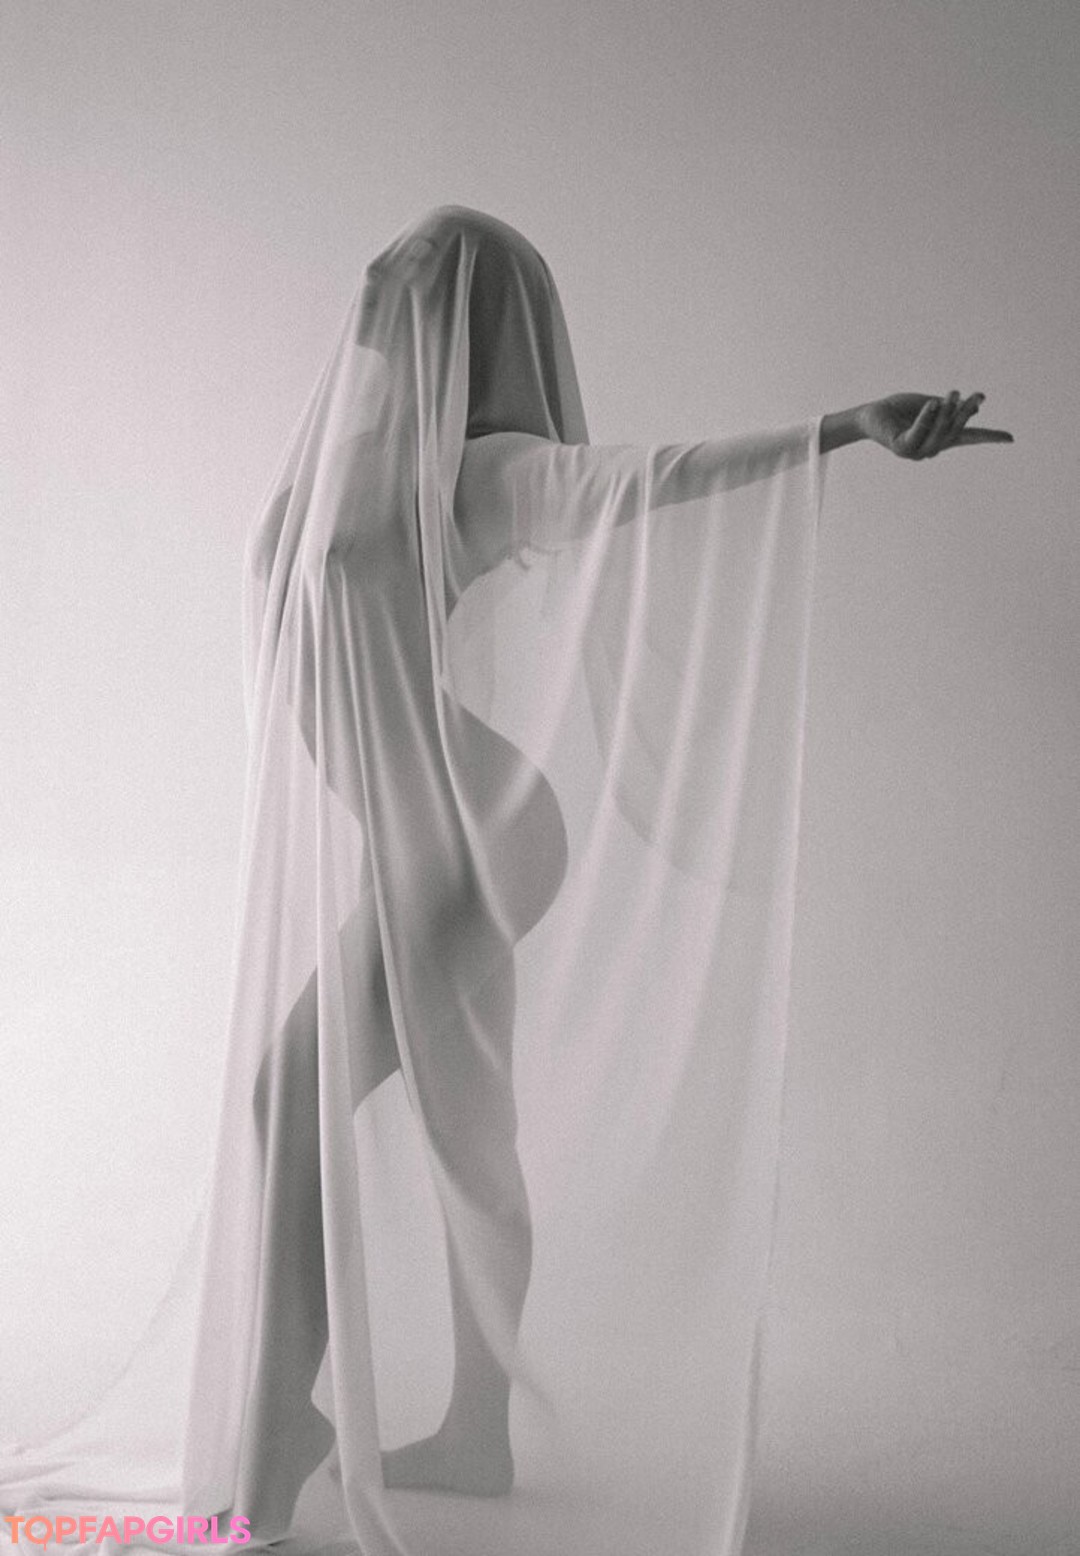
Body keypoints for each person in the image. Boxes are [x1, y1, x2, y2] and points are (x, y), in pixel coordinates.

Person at [1, 206, 1011, 1556]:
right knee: (467, 1127)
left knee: (287, 1094)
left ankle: (275, 1431)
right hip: (431, 832)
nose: (383, 285)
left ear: (460, 319)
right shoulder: (346, 454)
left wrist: (842, 429)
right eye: (388, 270)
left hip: (475, 838)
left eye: (416, 278)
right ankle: (477, 1432)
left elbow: (652, 478)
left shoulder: (486, 472)